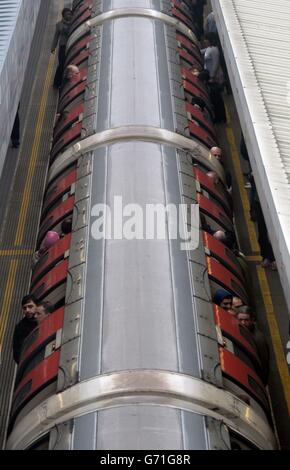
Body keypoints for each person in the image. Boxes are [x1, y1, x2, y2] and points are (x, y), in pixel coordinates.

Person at [236, 306, 270, 384]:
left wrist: (262, 382)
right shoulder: (243, 331)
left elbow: (263, 364)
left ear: (252, 320)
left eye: (246, 320)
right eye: (240, 320)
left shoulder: (258, 340)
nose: (243, 323)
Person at [12, 295, 39, 364]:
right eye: (24, 308)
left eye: (30, 306)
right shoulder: (19, 327)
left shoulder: (44, 319)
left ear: (37, 306)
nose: (27, 310)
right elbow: (16, 353)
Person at [51, 8, 73, 89]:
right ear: (63, 16)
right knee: (61, 65)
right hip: (63, 46)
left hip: (71, 45)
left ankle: (67, 78)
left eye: (70, 14)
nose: (69, 16)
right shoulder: (59, 25)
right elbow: (56, 37)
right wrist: (53, 48)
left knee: (69, 63)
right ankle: (57, 83)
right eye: (67, 14)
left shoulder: (73, 23)